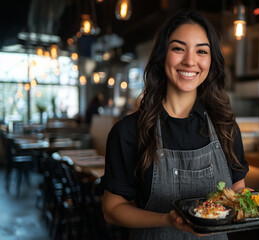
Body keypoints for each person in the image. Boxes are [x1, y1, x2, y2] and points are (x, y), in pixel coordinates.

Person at [101, 9, 249, 239]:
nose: (190, 61)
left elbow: (238, 190)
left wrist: (253, 202)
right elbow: (112, 210)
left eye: (201, 51)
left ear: (211, 61)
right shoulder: (129, 131)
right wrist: (166, 219)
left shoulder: (225, 127)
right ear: (162, 56)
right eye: (178, 48)